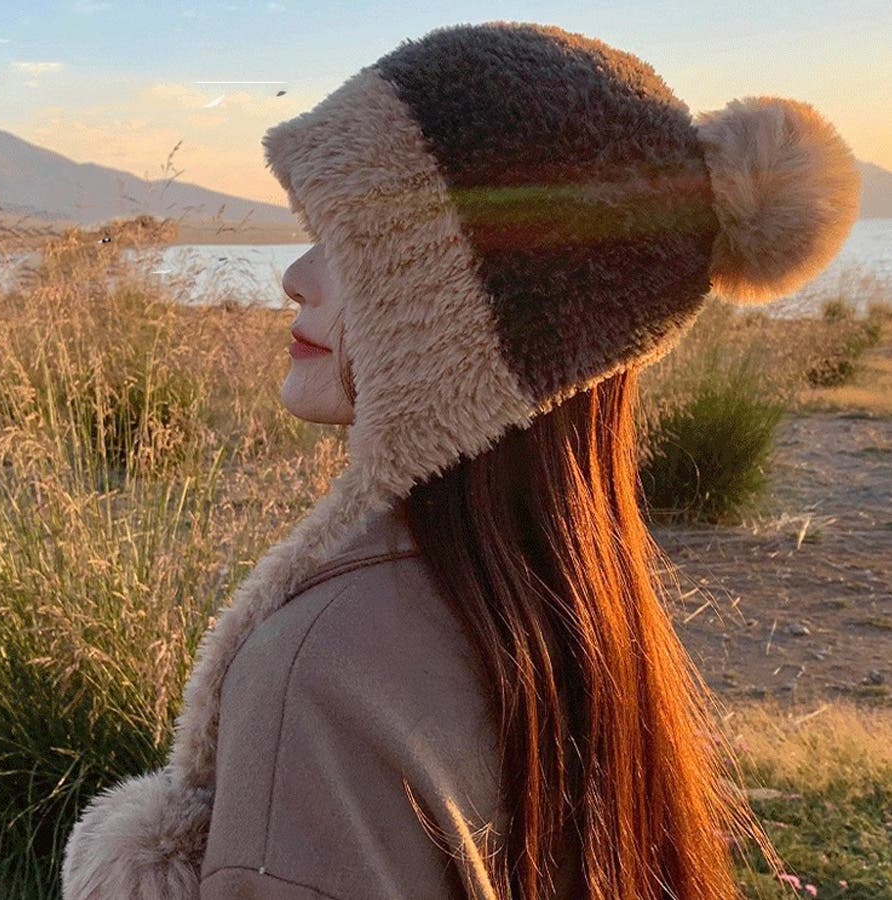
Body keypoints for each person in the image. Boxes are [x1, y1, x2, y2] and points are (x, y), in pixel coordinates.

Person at [61, 20, 859, 900]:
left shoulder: (317, 666)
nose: (296, 276)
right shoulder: (572, 612)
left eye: (356, 243)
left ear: (455, 313)